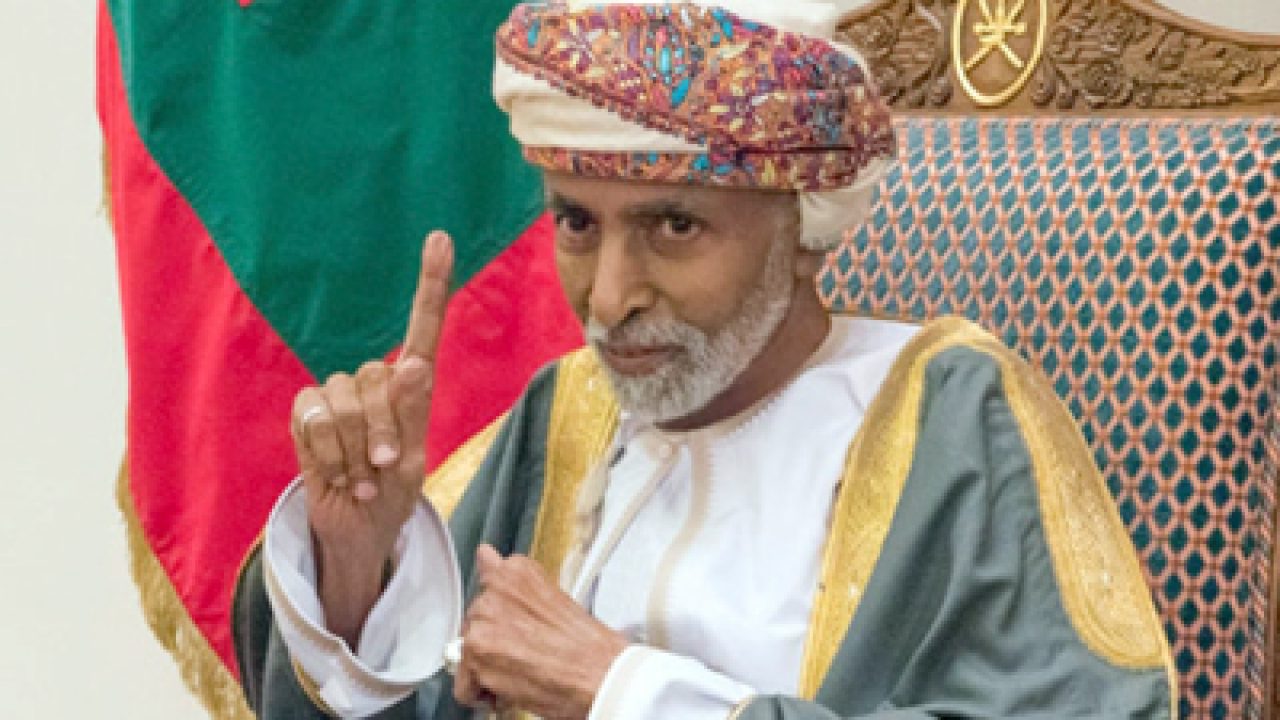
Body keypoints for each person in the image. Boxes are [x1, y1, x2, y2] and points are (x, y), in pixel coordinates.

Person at [232, 1, 1177, 718]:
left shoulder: (944, 413)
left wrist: (622, 691)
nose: (609, 299)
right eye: (577, 224)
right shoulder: (566, 416)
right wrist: (357, 572)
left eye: (674, 226)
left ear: (803, 232)